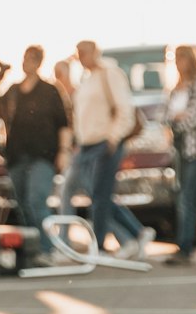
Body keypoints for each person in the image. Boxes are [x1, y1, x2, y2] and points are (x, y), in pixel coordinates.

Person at [62, 40, 154, 259]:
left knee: (100, 195)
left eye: (84, 52)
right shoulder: (87, 78)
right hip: (85, 145)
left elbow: (125, 108)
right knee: (97, 195)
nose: (81, 56)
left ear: (95, 51)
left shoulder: (109, 73)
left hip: (106, 142)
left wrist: (113, 138)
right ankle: (137, 232)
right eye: (78, 53)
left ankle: (100, 245)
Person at [0, 46, 69, 258]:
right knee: (23, 204)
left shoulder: (50, 90)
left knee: (37, 200)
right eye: (25, 58)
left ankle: (48, 248)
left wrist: (63, 151)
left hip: (43, 154)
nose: (27, 62)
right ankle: (33, 249)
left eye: (32, 59)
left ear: (40, 62)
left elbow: (63, 123)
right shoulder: (14, 89)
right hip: (17, 155)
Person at [163, 45, 196, 265]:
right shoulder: (176, 90)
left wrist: (177, 118)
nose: (178, 62)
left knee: (186, 197)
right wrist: (176, 118)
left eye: (182, 58)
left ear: (192, 61)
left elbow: (192, 120)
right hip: (182, 150)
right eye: (176, 58)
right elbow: (165, 117)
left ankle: (185, 249)